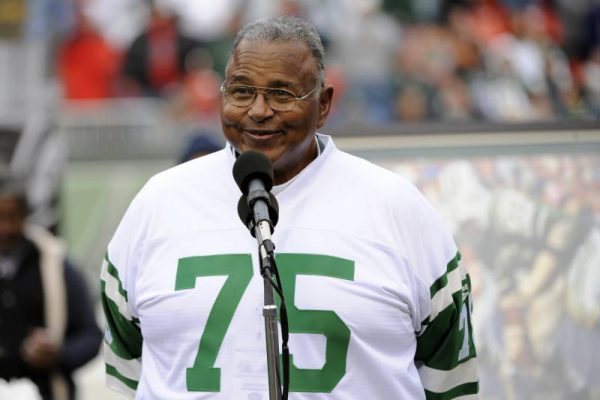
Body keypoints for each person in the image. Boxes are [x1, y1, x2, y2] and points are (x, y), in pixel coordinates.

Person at [101, 16, 478, 399]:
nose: (258, 110)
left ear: (324, 104)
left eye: (281, 94)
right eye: (241, 91)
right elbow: (130, 367)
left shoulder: (397, 208)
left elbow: (449, 376)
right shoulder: (157, 203)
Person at [0, 176, 102, 399]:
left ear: (25, 216)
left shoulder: (55, 266)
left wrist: (57, 353)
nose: (5, 228)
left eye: (12, 217)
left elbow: (91, 336)